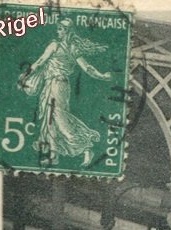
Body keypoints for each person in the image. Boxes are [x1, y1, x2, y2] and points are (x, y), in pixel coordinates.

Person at [18, 18, 112, 166]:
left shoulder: (55, 45)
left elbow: (40, 62)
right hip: (57, 84)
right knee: (50, 119)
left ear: (67, 31)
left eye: (61, 29)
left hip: (56, 84)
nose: (58, 31)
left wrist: (25, 75)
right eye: (58, 29)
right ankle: (53, 155)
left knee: (58, 117)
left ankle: (86, 147)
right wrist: (101, 76)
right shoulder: (74, 48)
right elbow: (88, 68)